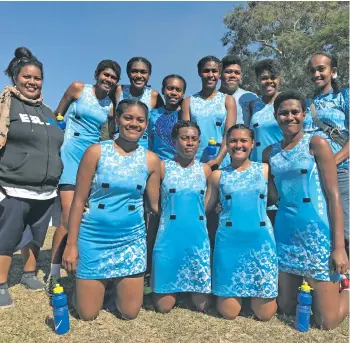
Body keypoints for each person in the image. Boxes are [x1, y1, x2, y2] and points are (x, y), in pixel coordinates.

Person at [62, 99, 160, 321]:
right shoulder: (95, 152)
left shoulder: (151, 160)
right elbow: (78, 201)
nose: (133, 123)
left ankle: (111, 286)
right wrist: (71, 245)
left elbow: (154, 206)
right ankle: (91, 287)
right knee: (87, 314)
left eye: (140, 120)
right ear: (117, 120)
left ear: (146, 125)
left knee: (129, 312)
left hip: (131, 239)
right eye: (128, 118)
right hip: (95, 237)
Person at [264, 91, 349, 330]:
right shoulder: (269, 153)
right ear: (275, 115)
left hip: (317, 235)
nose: (289, 117)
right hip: (285, 234)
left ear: (303, 114)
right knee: (287, 308)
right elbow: (271, 196)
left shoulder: (317, 144)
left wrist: (339, 248)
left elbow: (333, 197)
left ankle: (347, 288)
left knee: (326, 322)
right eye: (283, 113)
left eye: (295, 112)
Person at [46, 60, 121, 294]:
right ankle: (54, 272)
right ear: (96, 74)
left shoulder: (110, 105)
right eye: (105, 75)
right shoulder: (78, 88)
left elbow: (110, 133)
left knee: (89, 214)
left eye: (113, 78)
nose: (108, 80)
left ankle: (84, 262)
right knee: (68, 216)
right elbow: (57, 116)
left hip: (91, 158)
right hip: (71, 153)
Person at [0, 47, 64, 308]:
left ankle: (28, 273)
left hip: (46, 189)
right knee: (6, 237)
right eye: (27, 76)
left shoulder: (47, 111)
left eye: (37, 78)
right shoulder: (6, 105)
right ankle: (1, 284)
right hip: (13, 186)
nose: (32, 82)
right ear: (16, 77)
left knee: (37, 234)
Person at [205, 124, 278, 321]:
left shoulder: (264, 169)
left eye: (243, 140)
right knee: (229, 313)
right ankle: (238, 294)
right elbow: (204, 209)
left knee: (265, 314)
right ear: (227, 144)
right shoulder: (218, 175)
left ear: (252, 144)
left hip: (260, 242)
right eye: (233, 140)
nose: (238, 145)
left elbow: (276, 198)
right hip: (229, 242)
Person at [152, 120, 212, 313]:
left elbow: (207, 205)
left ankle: (189, 288)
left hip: (197, 238)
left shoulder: (205, 170)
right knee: (163, 307)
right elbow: (153, 204)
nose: (189, 143)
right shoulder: (162, 167)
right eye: (184, 138)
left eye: (194, 139)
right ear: (174, 141)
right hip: (169, 237)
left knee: (203, 306)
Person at [305, 52, 349, 257]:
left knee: (345, 230)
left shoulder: (344, 96)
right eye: (312, 70)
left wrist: (334, 161)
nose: (316, 74)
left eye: (321, 69)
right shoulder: (306, 103)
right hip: (312, 175)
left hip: (341, 171)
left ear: (333, 72)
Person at [181, 56, 237, 168]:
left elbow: (229, 134)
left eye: (214, 71)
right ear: (199, 73)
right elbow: (185, 135)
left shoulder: (228, 100)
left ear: (220, 74)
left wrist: (218, 160)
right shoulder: (188, 102)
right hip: (194, 162)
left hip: (221, 161)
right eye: (206, 71)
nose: (210, 75)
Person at [108, 57, 164, 145]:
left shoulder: (154, 96)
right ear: (128, 73)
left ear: (149, 75)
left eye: (143, 72)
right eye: (134, 71)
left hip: (143, 145)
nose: (138, 76)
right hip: (118, 143)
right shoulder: (118, 90)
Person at [249, 59, 283, 163]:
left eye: (273, 78)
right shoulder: (253, 105)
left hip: (279, 161)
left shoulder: (286, 101)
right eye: (264, 78)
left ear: (279, 79)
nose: (269, 81)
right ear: (257, 80)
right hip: (256, 162)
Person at [148, 74, 186, 160]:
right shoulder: (153, 115)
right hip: (158, 165)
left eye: (178, 90)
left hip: (179, 165)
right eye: (170, 88)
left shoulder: (186, 115)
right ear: (162, 90)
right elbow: (149, 141)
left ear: (183, 94)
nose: (173, 93)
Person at [219, 55, 258, 126]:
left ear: (241, 76)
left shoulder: (251, 97)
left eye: (237, 73)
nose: (233, 75)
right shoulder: (212, 99)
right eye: (228, 72)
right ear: (220, 74)